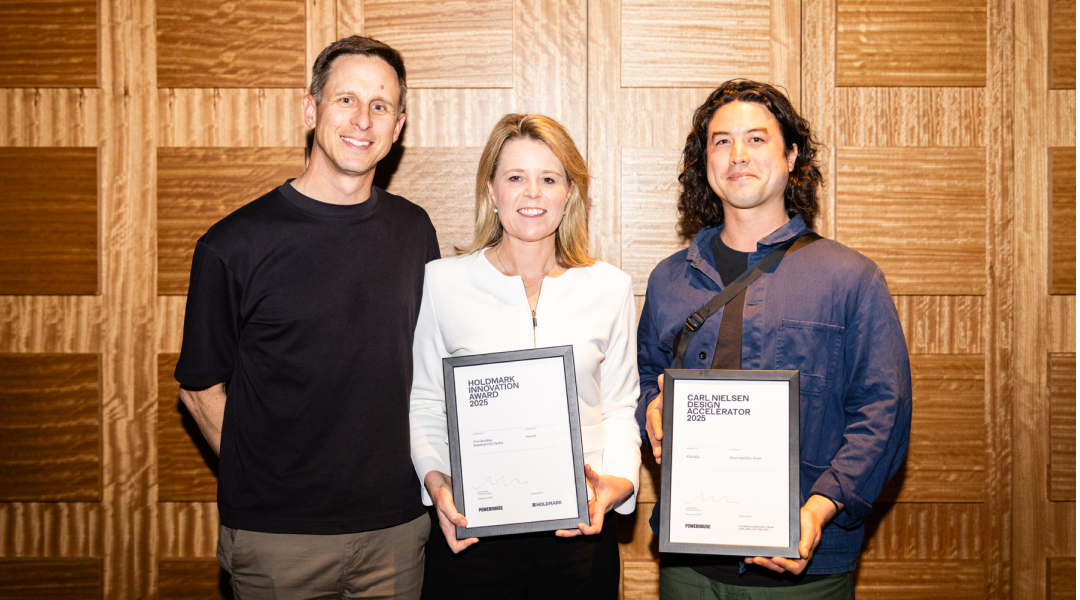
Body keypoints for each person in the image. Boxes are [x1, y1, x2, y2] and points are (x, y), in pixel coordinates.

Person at [174, 36, 439, 599]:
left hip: (396, 531)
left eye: (380, 106)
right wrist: (270, 480)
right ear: (311, 109)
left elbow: (431, 366)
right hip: (279, 540)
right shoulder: (234, 244)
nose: (362, 120)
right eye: (346, 100)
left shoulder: (415, 231)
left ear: (397, 127)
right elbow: (198, 389)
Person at [637, 80, 912, 599]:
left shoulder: (851, 278)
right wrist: (652, 406)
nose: (737, 154)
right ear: (705, 162)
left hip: (805, 569)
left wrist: (819, 509)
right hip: (687, 563)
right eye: (721, 141)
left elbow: (883, 413)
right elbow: (645, 377)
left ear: (791, 156)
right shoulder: (668, 279)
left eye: (757, 139)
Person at [409, 114, 641, 599]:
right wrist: (437, 483)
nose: (532, 192)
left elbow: (620, 407)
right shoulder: (443, 282)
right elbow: (427, 403)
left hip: (580, 530)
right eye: (516, 177)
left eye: (549, 179)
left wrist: (616, 486)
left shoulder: (610, 288)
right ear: (491, 191)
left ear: (569, 193)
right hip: (473, 531)